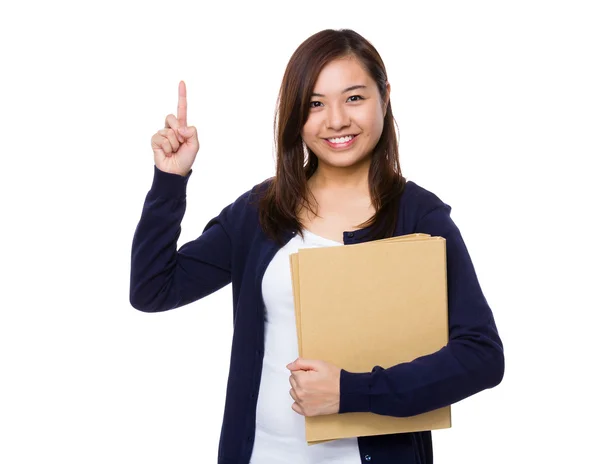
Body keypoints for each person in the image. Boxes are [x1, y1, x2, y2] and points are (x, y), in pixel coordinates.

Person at [130, 28, 504, 464]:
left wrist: (353, 391)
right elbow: (153, 289)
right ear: (295, 114)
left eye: (354, 98)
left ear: (384, 96)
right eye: (315, 103)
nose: (336, 121)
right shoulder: (260, 212)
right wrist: (169, 181)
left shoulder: (419, 218)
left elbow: (481, 356)